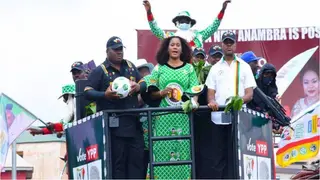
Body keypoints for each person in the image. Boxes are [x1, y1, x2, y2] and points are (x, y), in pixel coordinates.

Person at [84, 36, 145, 179]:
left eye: (121, 49)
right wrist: (105, 95)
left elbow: (143, 82)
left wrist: (138, 87)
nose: (119, 52)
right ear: (107, 51)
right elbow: (87, 92)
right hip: (113, 127)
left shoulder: (130, 66)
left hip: (134, 123)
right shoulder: (100, 70)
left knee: (137, 162)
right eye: (116, 50)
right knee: (118, 165)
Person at [144, 36, 199, 179]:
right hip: (163, 118)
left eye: (178, 45)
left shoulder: (189, 68)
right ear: (167, 49)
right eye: (172, 45)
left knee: (183, 153)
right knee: (161, 150)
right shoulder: (159, 68)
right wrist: (161, 92)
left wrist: (194, 102)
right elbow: (152, 93)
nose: (175, 47)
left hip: (182, 118)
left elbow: (195, 91)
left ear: (182, 49)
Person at [205, 31, 256, 179]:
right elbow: (210, 92)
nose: (228, 45)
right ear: (222, 44)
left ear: (235, 44)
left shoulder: (244, 66)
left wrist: (239, 100)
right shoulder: (215, 68)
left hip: (239, 119)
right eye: (226, 42)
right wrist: (212, 101)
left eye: (231, 42)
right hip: (218, 118)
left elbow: (249, 93)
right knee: (218, 157)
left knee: (237, 156)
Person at [143, 0, 230, 49]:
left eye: (186, 20)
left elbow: (213, 27)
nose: (184, 22)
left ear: (190, 23)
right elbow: (155, 29)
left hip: (195, 73)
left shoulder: (198, 37)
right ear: (176, 23)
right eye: (181, 20)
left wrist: (222, 10)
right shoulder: (170, 37)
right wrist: (149, 12)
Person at [134, 59, 154, 177]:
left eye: (145, 70)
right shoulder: (134, 87)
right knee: (142, 160)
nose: (144, 74)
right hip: (140, 130)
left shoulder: (153, 82)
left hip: (155, 128)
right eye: (140, 71)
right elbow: (138, 102)